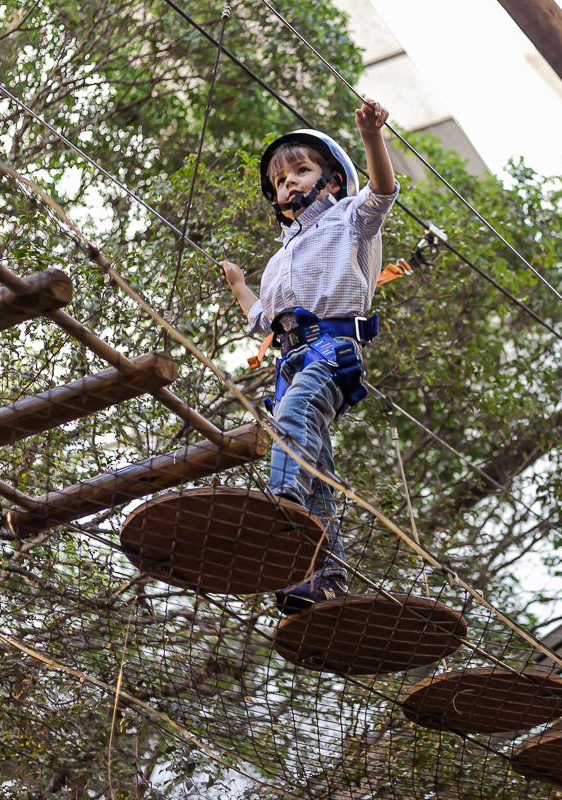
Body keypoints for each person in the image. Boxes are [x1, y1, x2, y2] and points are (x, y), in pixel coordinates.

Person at [220, 100, 398, 613]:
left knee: (294, 418)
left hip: (331, 352)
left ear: (332, 181)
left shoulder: (350, 220)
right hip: (291, 359)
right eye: (280, 180)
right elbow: (264, 319)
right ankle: (326, 576)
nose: (288, 184)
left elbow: (383, 192)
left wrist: (372, 137)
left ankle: (281, 505)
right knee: (315, 462)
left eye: (300, 171)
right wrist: (239, 285)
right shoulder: (279, 259)